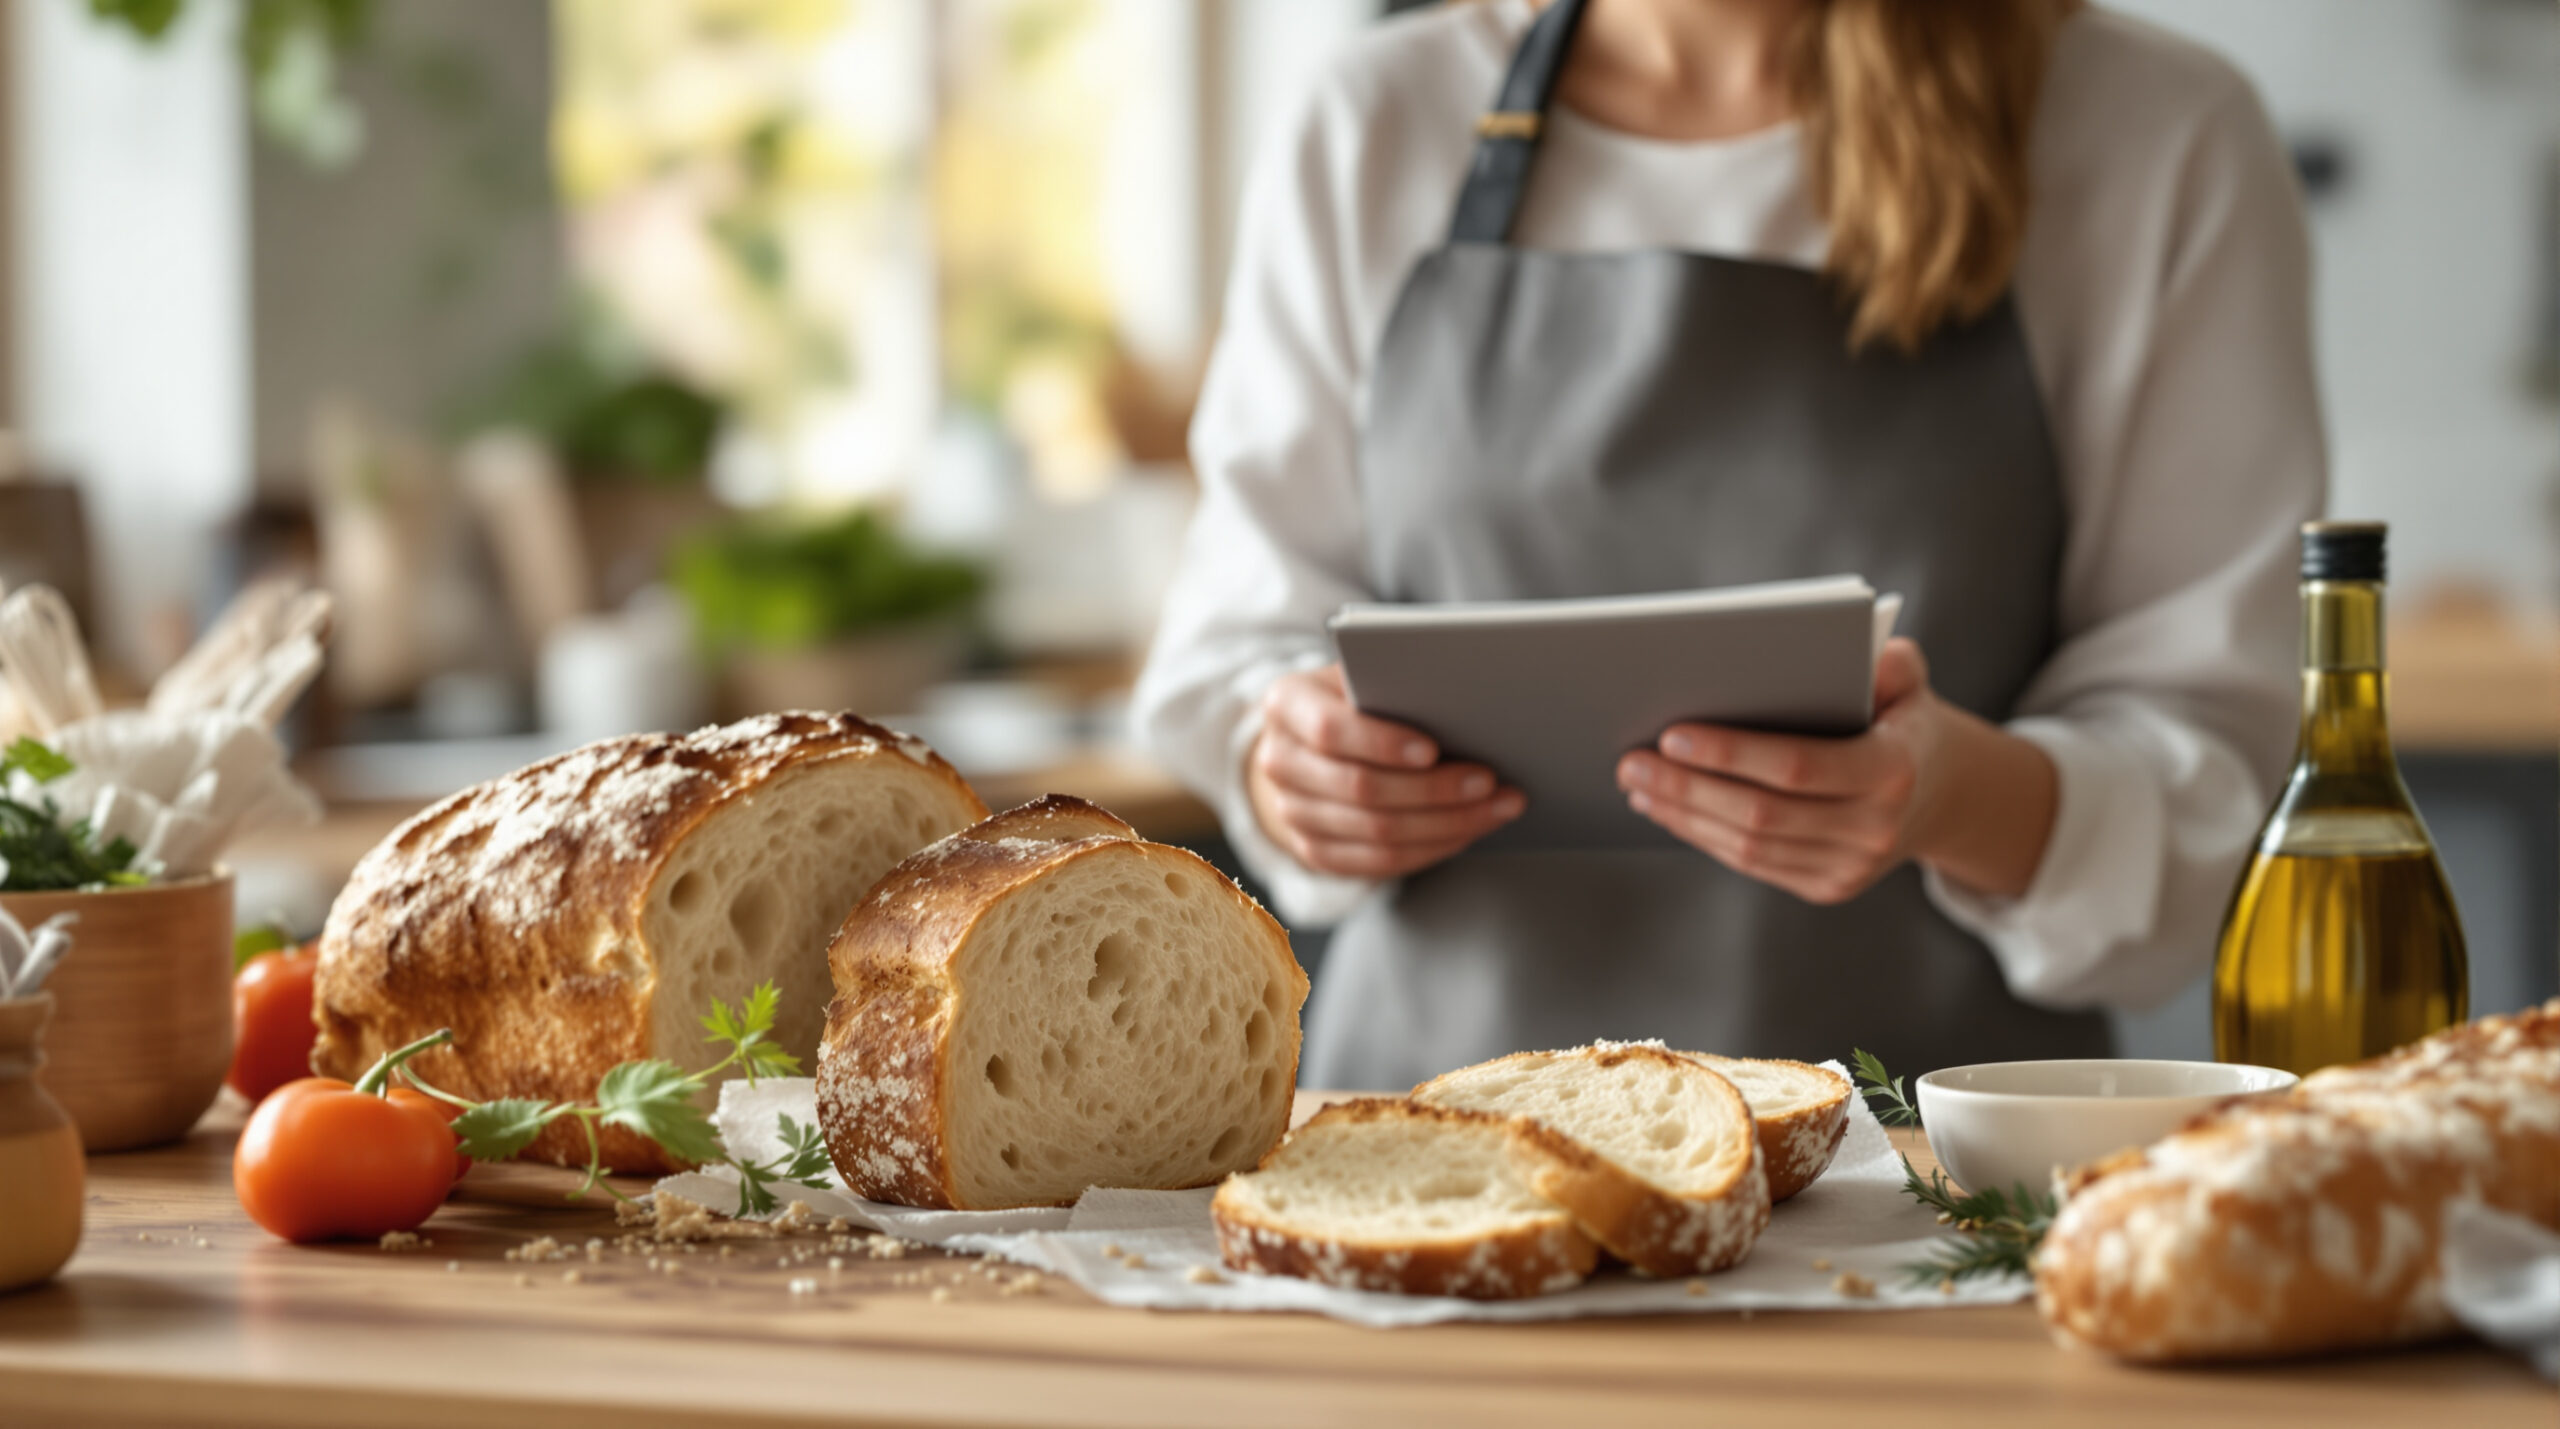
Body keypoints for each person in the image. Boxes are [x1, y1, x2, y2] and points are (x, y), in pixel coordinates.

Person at [1132, 0, 2323, 1087]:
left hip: (1922, 1205)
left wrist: (1953, 797)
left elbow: (2211, 751)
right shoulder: (1375, 118)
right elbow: (1242, 634)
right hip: (1422, 1165)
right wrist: (1294, 767)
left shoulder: (2157, 136)